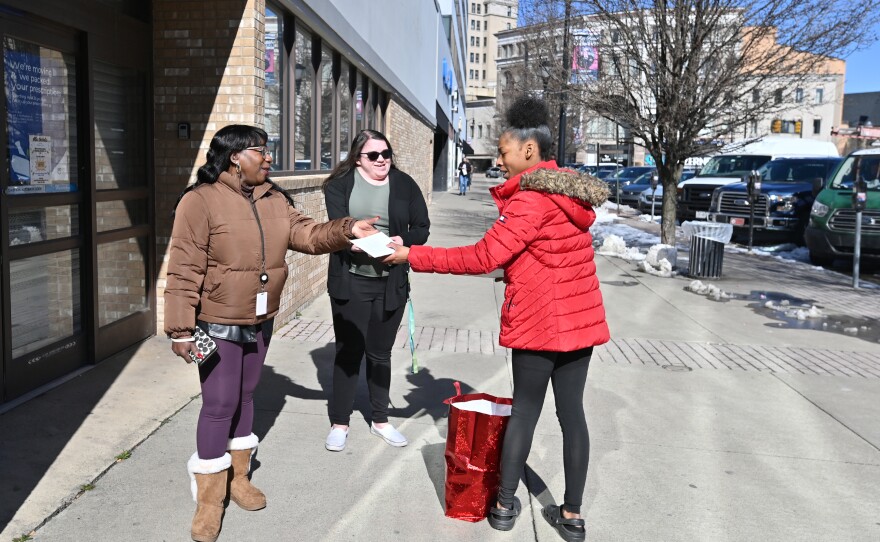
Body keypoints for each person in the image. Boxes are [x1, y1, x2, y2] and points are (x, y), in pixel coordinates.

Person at [384, 95, 610, 542]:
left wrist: (412, 254)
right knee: (573, 416)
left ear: (529, 151)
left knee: (525, 410)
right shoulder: (568, 195)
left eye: (504, 153)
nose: (500, 162)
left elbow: (482, 256)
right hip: (579, 322)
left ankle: (505, 505)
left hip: (540, 322)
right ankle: (573, 515)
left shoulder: (531, 200)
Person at [165, 124, 379, 542]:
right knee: (219, 402)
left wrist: (347, 229)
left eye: (268, 150)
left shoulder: (274, 198)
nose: (268, 158)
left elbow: (307, 234)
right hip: (216, 319)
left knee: (247, 396)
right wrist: (180, 329)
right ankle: (209, 495)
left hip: (261, 318)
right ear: (234, 157)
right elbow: (184, 266)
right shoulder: (199, 201)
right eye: (261, 151)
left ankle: (239, 477)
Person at [322, 129, 430, 452]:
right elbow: (335, 227)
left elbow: (421, 227)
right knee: (349, 351)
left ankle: (380, 419)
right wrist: (352, 242)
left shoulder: (404, 184)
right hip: (351, 278)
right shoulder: (339, 185)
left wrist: (403, 242)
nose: (382, 159)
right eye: (374, 155)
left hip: (390, 280)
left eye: (386, 153)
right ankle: (340, 422)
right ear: (359, 158)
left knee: (380, 353)